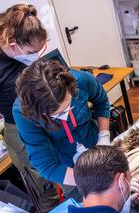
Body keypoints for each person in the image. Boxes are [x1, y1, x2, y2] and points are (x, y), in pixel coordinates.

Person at [0, 4, 59, 213]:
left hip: (45, 117)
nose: (35, 56)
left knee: (62, 168)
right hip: (20, 131)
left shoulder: (20, 53)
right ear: (13, 45)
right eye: (32, 52)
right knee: (45, 182)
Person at [13, 59, 112, 200]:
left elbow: (101, 102)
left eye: (68, 106)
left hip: (95, 145)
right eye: (56, 114)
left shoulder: (81, 80)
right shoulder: (23, 113)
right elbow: (47, 166)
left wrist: (104, 136)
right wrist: (89, 181)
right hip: (66, 167)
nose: (64, 113)